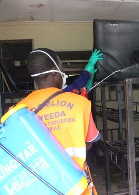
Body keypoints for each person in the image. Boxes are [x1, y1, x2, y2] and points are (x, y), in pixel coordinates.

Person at [15, 48, 101, 195]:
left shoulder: (17, 111)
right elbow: (88, 144)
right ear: (55, 73)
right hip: (78, 187)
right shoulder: (80, 104)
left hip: (40, 188)